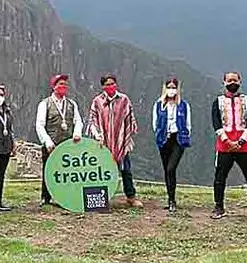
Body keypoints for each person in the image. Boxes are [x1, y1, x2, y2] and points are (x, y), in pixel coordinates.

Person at [211, 71, 247, 223]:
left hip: (245, 145)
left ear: (240, 82)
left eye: (235, 80)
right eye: (229, 80)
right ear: (224, 82)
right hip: (224, 145)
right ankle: (219, 207)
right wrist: (227, 141)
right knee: (220, 177)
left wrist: (240, 141)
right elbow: (216, 124)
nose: (232, 83)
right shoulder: (217, 102)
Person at [87, 74, 142, 209]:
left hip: (120, 141)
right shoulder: (97, 101)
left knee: (126, 170)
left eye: (112, 83)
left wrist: (126, 137)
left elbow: (129, 118)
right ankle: (100, 198)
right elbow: (93, 120)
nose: (110, 86)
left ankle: (131, 197)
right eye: (107, 84)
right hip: (104, 142)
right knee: (101, 171)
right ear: (103, 86)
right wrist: (97, 134)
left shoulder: (124, 100)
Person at [35, 74, 83, 206]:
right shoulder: (45, 104)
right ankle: (46, 197)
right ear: (54, 86)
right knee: (49, 170)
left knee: (68, 171)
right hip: (52, 143)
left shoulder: (72, 104)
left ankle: (66, 196)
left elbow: (78, 120)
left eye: (65, 84)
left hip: (67, 144)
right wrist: (47, 141)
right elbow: (39, 124)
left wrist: (77, 133)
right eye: (60, 84)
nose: (63, 86)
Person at [152, 77, 192, 213]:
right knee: (167, 170)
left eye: (173, 87)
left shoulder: (183, 105)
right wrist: (160, 135)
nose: (171, 90)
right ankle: (171, 199)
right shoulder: (158, 105)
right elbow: (155, 123)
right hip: (164, 139)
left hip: (178, 139)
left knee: (171, 168)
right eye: (169, 87)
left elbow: (188, 124)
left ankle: (172, 200)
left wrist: (184, 135)